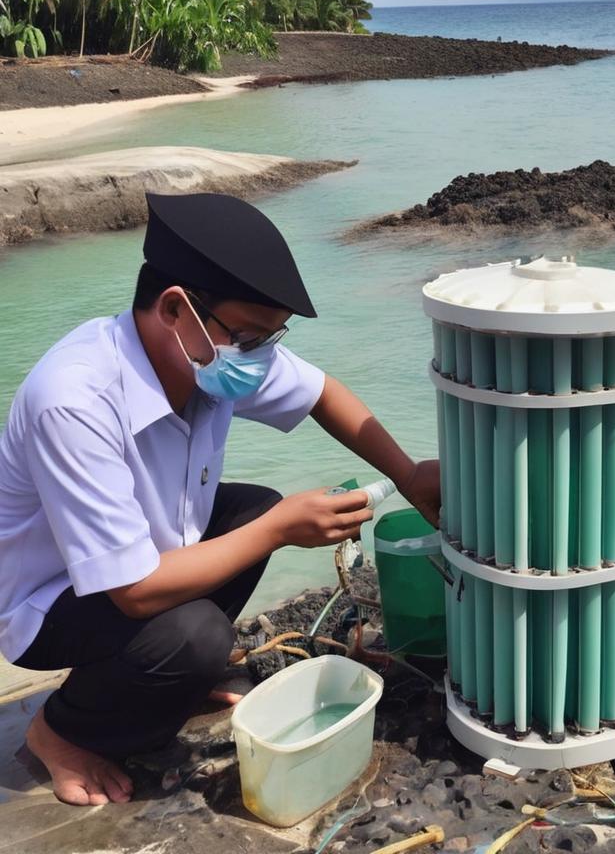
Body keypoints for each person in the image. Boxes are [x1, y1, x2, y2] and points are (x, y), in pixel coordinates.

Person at [0, 191, 440, 808]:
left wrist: (410, 475)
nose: (258, 355)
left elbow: (321, 394)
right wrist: (282, 530)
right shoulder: (75, 400)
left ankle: (162, 683)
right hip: (50, 602)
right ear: (177, 307)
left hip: (146, 560)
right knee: (194, 636)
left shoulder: (202, 356)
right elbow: (134, 592)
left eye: (270, 337)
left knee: (255, 506)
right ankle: (65, 730)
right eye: (249, 336)